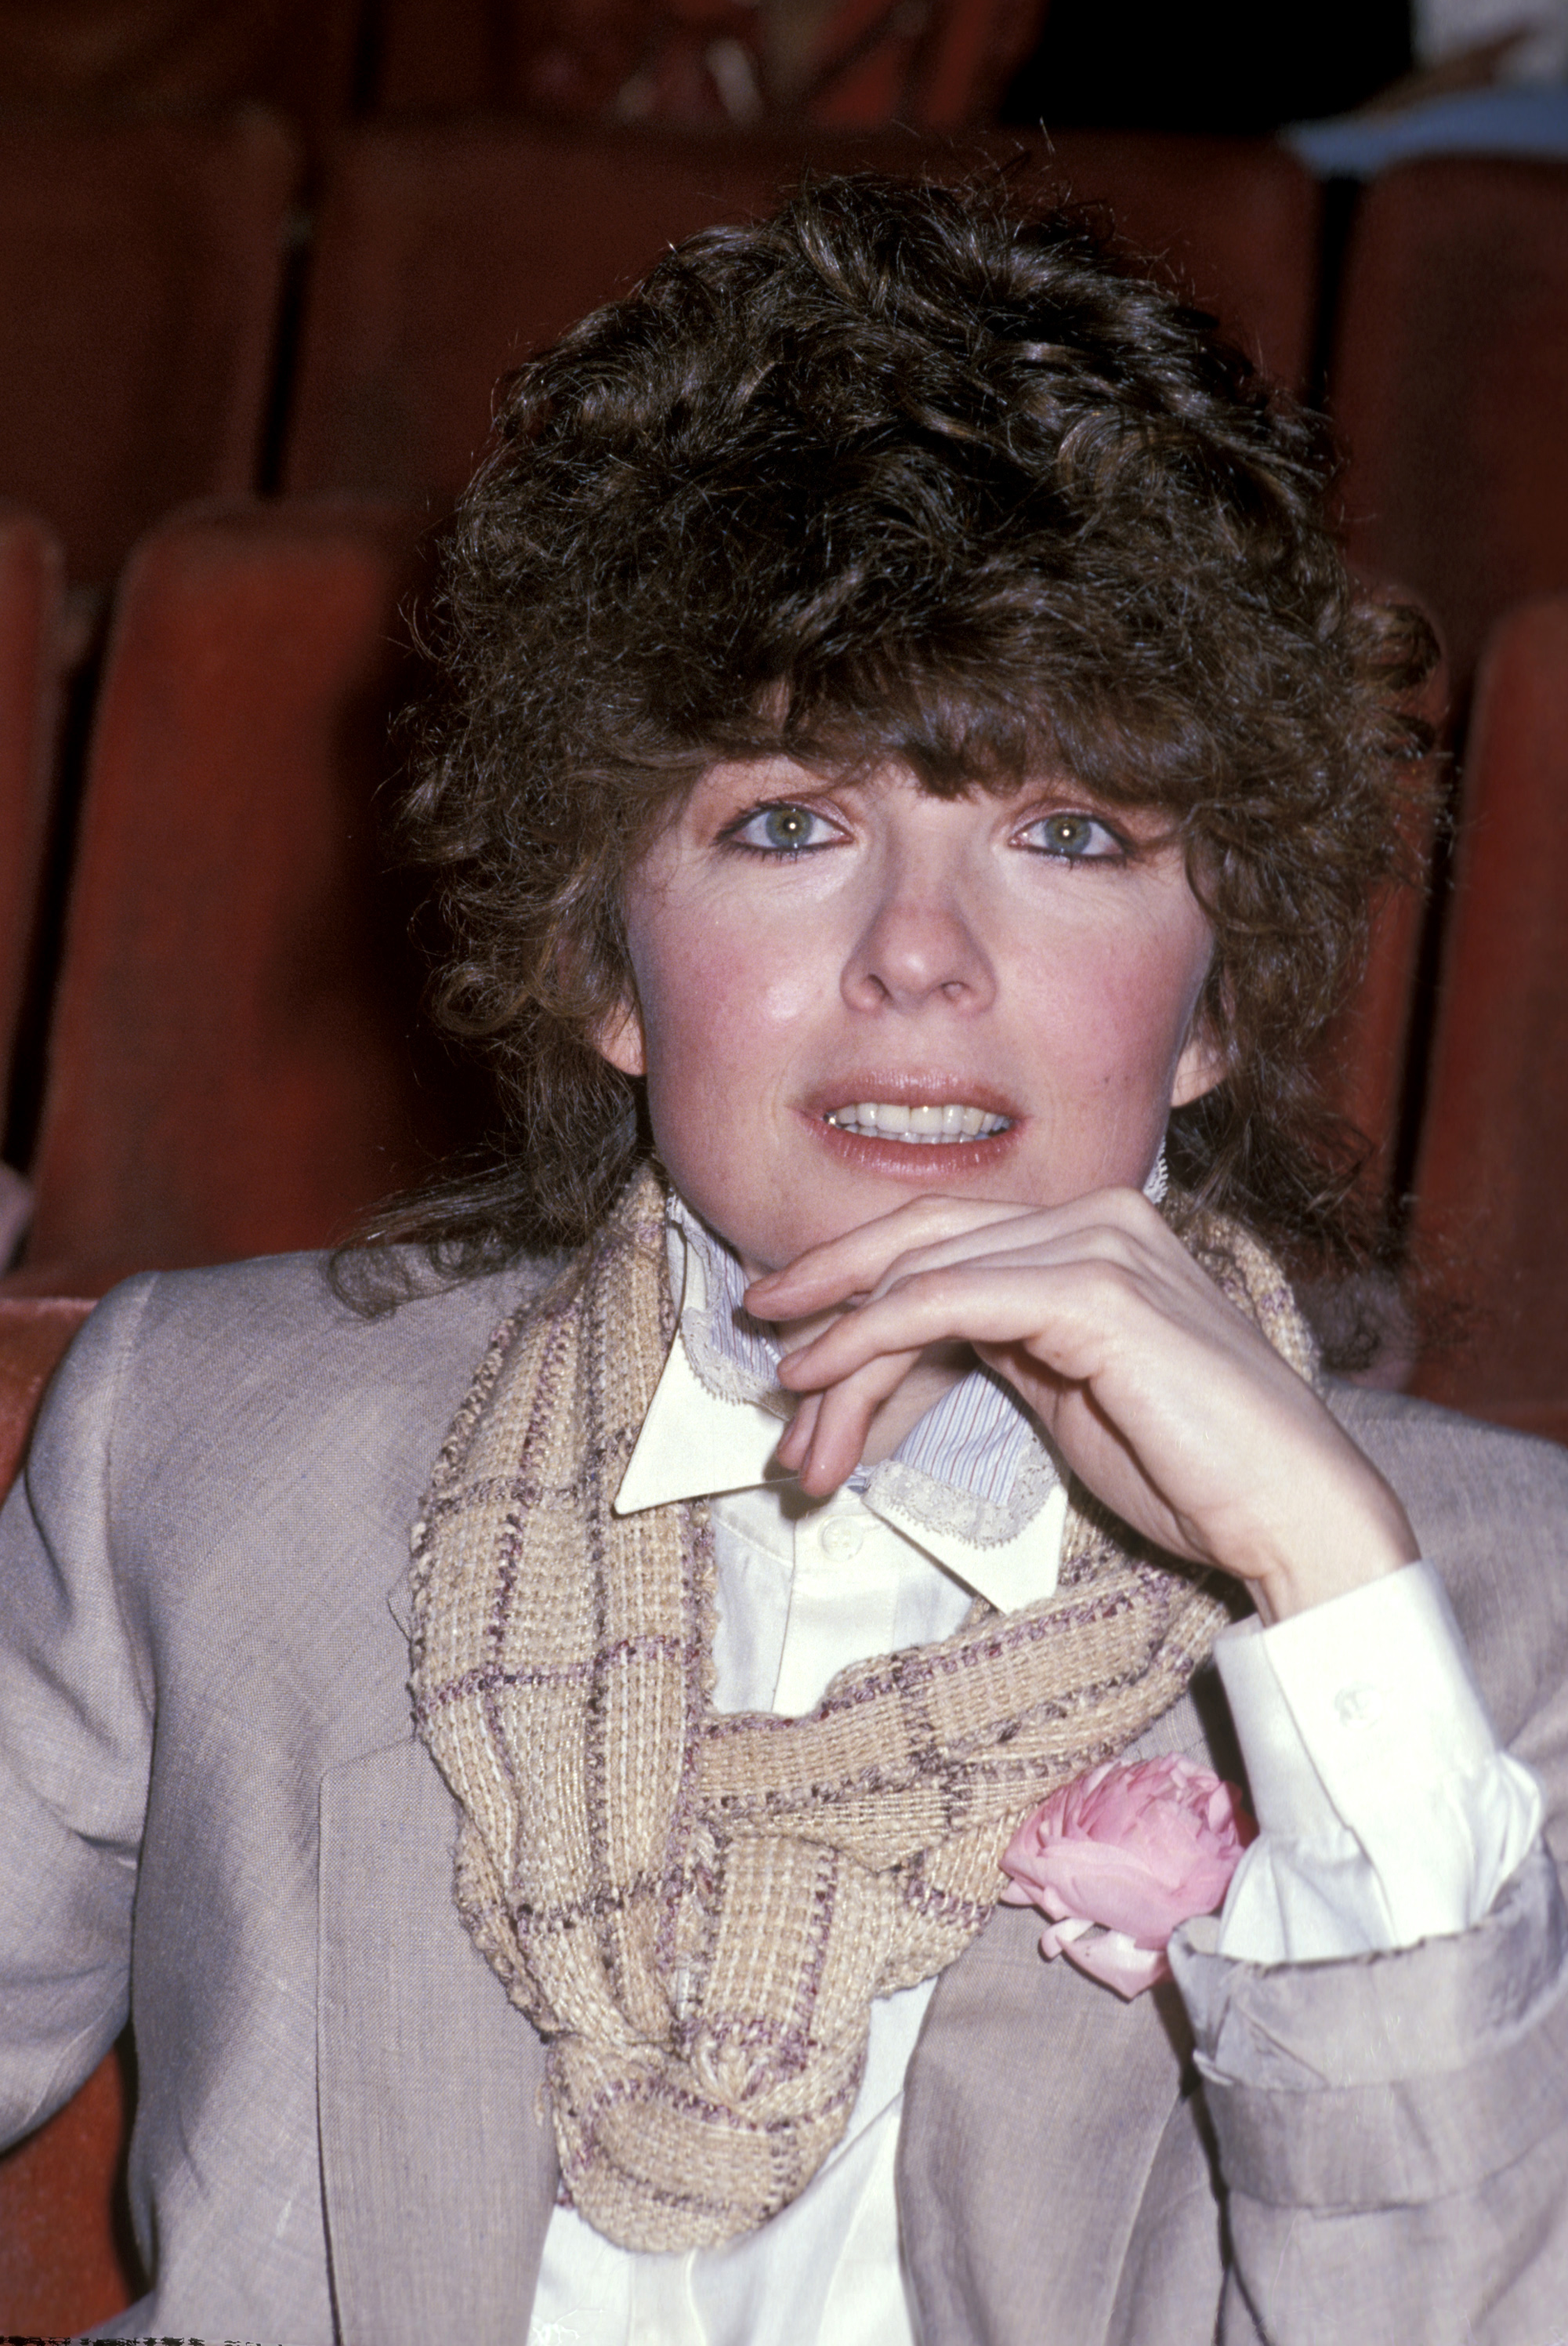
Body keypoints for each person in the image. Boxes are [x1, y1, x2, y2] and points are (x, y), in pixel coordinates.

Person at [2, 172, 1566, 2346]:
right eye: (788, 825)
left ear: (1214, 1001)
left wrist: (1315, 1593)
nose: (918, 961)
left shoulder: (1479, 1619)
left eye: (1066, 835)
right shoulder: (203, 1447)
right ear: (606, 963)